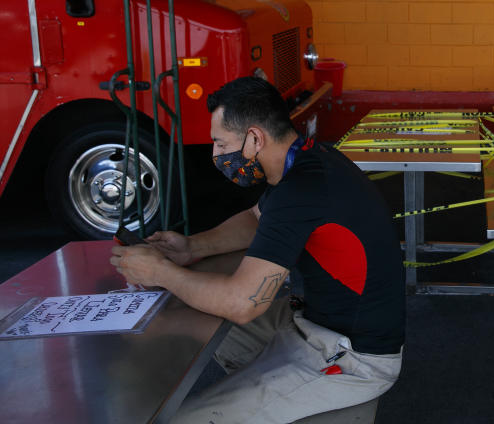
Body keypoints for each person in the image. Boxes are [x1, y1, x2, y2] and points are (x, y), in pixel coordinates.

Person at [110, 76, 405, 423]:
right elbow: (256, 218)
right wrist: (191, 247)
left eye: (220, 144)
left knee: (183, 418)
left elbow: (243, 303)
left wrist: (160, 272)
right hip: (316, 321)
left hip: (353, 357)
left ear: (254, 138)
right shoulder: (310, 160)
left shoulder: (302, 191)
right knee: (187, 319)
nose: (216, 155)